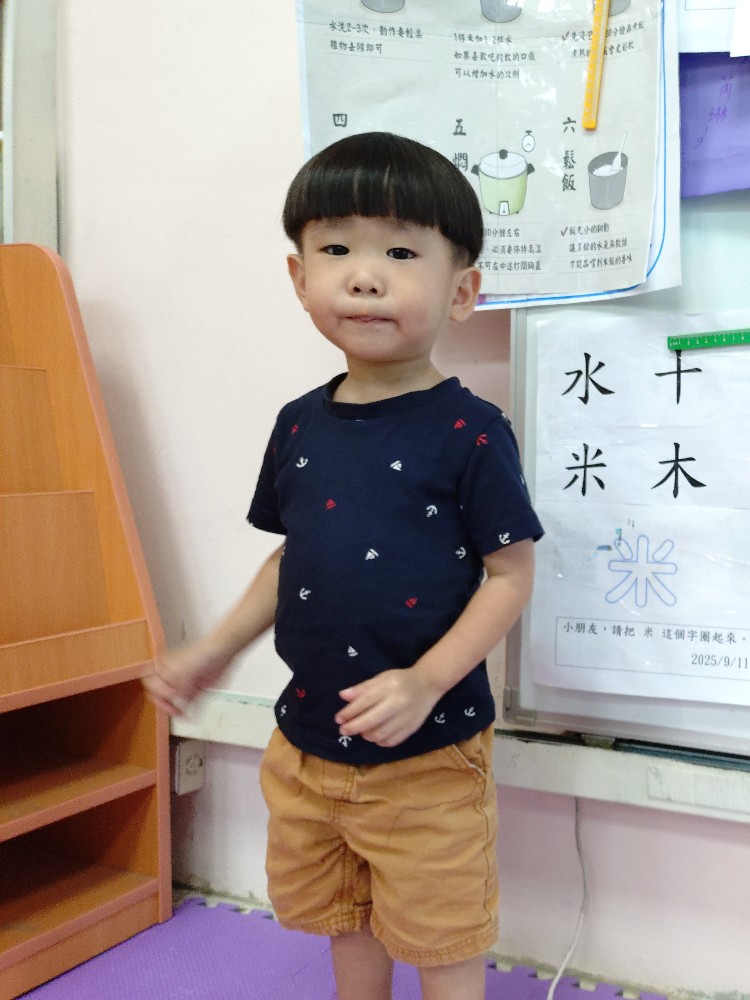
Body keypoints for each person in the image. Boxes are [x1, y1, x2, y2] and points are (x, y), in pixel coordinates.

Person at [145, 131, 543, 1000]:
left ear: (462, 290)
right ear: (299, 278)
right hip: (306, 742)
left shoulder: (471, 431)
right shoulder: (298, 422)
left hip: (428, 753)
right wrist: (214, 650)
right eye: (335, 250)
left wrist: (426, 682)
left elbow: (510, 576)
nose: (364, 276)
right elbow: (294, 555)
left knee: (442, 936)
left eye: (400, 252)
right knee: (341, 915)